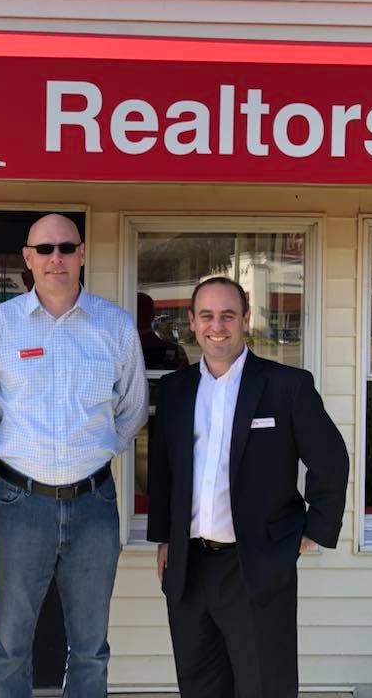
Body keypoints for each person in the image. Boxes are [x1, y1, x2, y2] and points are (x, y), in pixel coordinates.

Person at [0, 213, 148, 698]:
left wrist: (91, 453)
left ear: (82, 253)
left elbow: (132, 409)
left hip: (94, 506)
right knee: (10, 645)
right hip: (19, 504)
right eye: (44, 249)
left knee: (91, 647)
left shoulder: (114, 325)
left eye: (66, 248)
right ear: (28, 258)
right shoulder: (0, 327)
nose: (56, 259)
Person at [147, 276, 349, 698]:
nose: (216, 326)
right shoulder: (175, 390)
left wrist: (314, 530)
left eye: (227, 315)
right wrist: (164, 539)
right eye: (206, 316)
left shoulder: (286, 387)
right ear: (192, 321)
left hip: (255, 565)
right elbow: (164, 472)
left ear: (245, 320)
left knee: (263, 687)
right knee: (199, 685)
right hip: (189, 569)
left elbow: (330, 460)